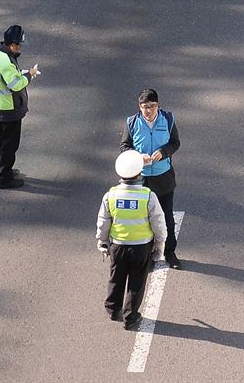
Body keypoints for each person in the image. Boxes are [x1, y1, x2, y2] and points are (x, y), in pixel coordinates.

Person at [97, 150, 166, 328]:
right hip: (141, 247)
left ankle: (113, 309)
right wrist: (160, 243)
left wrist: (102, 241)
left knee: (116, 277)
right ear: (139, 173)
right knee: (136, 282)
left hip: (117, 246)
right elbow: (158, 222)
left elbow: (104, 221)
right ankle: (131, 316)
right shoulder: (148, 196)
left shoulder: (110, 195)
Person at [121, 89, 181, 268]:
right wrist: (139, 158)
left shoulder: (168, 119)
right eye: (145, 107)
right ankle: (147, 255)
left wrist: (164, 152)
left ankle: (170, 252)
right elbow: (125, 147)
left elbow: (175, 143)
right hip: (142, 179)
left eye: (153, 106)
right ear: (139, 107)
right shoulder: (132, 123)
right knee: (144, 219)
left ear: (158, 105)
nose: (149, 110)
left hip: (164, 177)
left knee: (167, 218)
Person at [0, 24, 40, 189]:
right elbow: (15, 85)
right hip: (9, 108)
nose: (20, 48)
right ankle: (5, 178)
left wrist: (22, 72)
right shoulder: (6, 62)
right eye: (19, 45)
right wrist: (29, 75)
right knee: (10, 144)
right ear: (12, 45)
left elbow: (9, 75)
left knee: (2, 140)